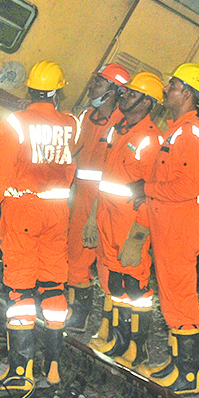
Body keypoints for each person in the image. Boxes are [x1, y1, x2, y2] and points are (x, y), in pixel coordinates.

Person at [0, 61, 79, 390]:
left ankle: (20, 374)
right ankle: (53, 367)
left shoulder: (16, 123)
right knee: (53, 287)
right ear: (57, 92)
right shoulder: (70, 124)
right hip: (57, 212)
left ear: (31, 89)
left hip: (23, 210)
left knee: (20, 290)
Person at [134, 62, 199, 394]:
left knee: (181, 300)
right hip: (168, 223)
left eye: (172, 84)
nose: (166, 90)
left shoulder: (191, 133)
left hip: (179, 224)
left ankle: (188, 375)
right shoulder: (177, 129)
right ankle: (175, 363)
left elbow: (188, 186)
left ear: (187, 91)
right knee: (171, 299)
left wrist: (146, 189)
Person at [87, 72, 164, 368]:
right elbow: (107, 177)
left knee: (137, 290)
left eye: (132, 95)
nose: (125, 97)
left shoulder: (151, 139)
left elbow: (150, 192)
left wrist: (138, 237)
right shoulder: (119, 130)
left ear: (147, 102)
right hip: (108, 218)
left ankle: (138, 349)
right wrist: (93, 215)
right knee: (116, 285)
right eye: (127, 92)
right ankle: (118, 341)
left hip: (131, 223)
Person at [64, 62, 130, 334]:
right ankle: (76, 317)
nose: (92, 87)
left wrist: (94, 213)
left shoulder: (121, 126)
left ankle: (111, 328)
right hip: (80, 198)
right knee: (76, 258)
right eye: (95, 82)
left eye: (100, 84)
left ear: (114, 91)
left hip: (105, 206)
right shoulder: (86, 116)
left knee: (106, 265)